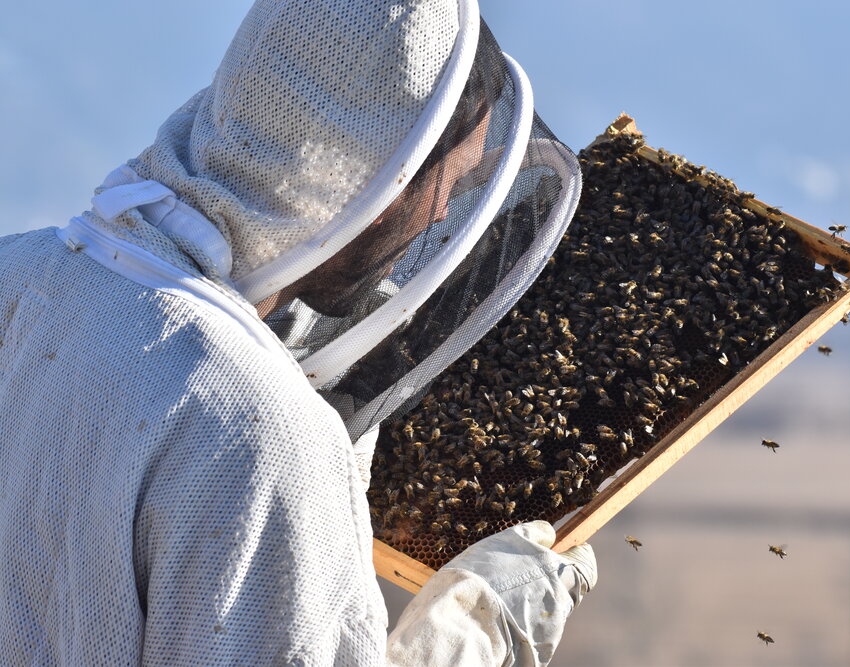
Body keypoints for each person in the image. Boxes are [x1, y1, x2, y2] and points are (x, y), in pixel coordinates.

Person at [0, 0, 595, 665]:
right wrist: (476, 635)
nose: (438, 219)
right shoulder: (263, 439)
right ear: (377, 169)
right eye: (447, 182)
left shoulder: (15, 274)